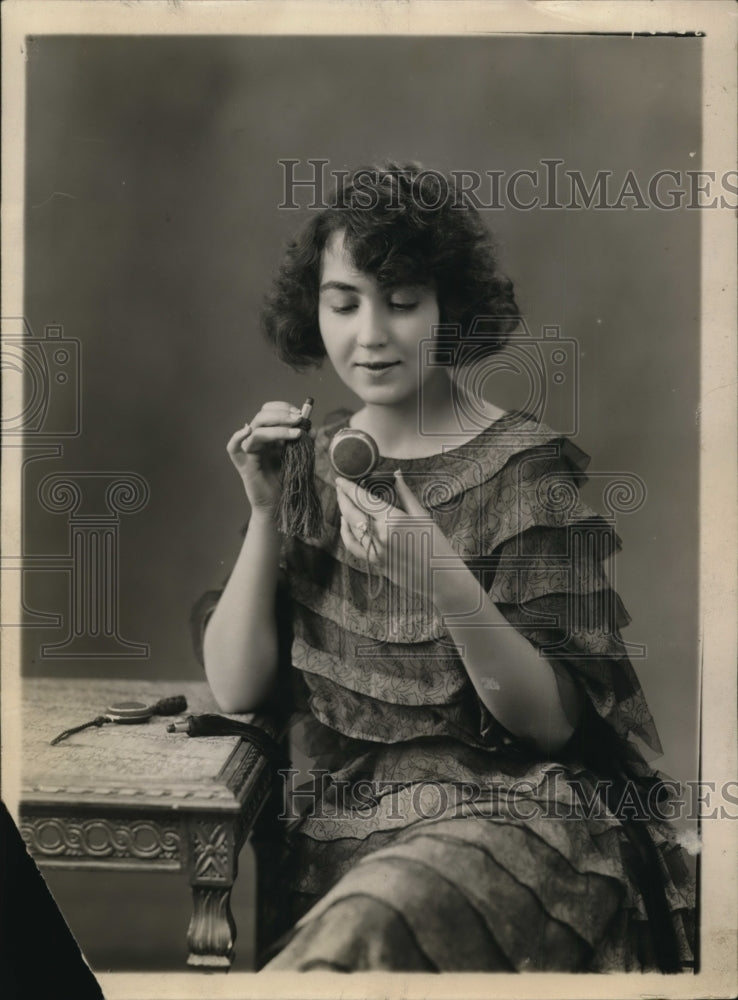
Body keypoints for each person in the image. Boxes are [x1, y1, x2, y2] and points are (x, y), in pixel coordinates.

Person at [191, 163, 695, 972]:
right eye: (345, 302)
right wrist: (262, 512)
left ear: (448, 310)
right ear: (313, 310)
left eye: (403, 302)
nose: (371, 335)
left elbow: (552, 724)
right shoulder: (307, 465)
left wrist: (443, 583)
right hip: (341, 829)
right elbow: (238, 688)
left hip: (513, 824)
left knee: (383, 915)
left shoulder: (521, 467)